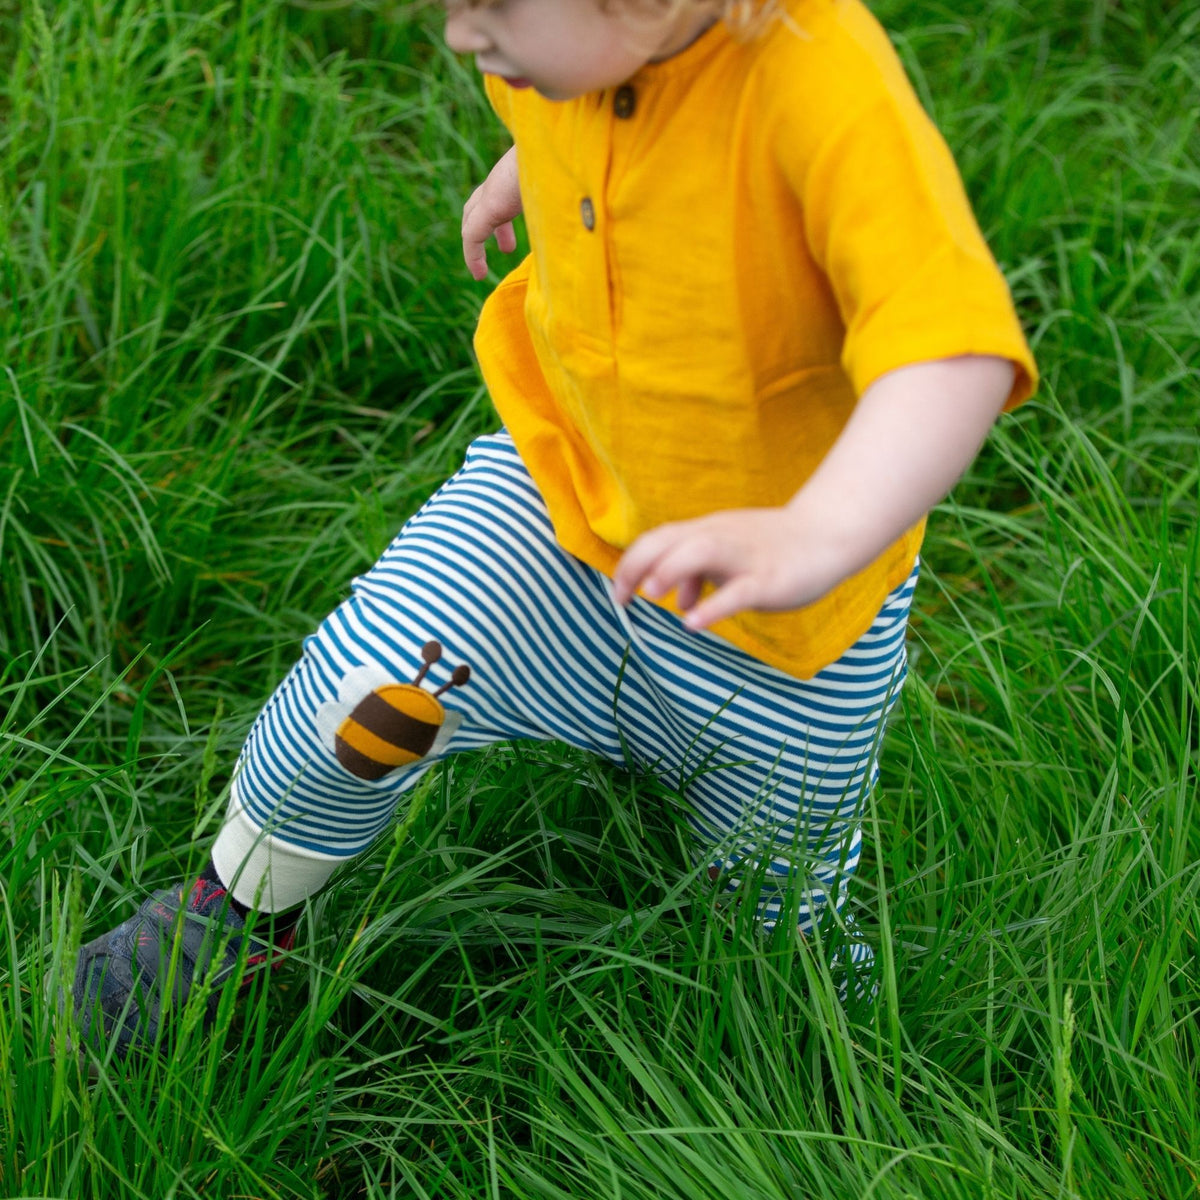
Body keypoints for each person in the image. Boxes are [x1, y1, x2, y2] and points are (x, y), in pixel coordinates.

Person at [66, 0, 1037, 1055]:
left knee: (777, 923)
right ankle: (238, 920)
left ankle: (821, 1064)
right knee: (359, 700)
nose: (458, 34)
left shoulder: (823, 96)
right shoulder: (571, 49)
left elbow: (952, 351)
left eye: (489, 5)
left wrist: (814, 534)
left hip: (780, 626)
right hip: (562, 501)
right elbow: (611, 116)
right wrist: (530, 160)